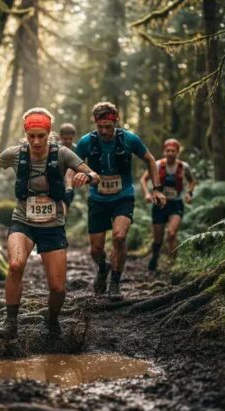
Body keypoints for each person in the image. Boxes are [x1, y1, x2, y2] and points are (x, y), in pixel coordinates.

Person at [0, 108, 100, 340]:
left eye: (41, 136)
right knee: (15, 265)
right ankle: (10, 322)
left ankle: (52, 319)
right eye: (31, 136)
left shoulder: (63, 154)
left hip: (53, 225)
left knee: (58, 289)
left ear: (49, 133)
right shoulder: (16, 154)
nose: (36, 141)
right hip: (23, 220)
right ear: (26, 134)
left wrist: (87, 176)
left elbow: (94, 175)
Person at [74, 102, 166, 300]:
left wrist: (157, 189)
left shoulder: (129, 139)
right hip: (97, 199)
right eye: (100, 127)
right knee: (96, 250)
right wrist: (70, 182)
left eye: (108, 127)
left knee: (119, 236)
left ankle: (115, 282)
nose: (104, 131)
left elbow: (150, 160)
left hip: (123, 196)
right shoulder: (86, 142)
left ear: (116, 122)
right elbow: (70, 164)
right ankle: (103, 268)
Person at [140, 138, 197, 272]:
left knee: (171, 233)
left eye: (173, 151)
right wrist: (147, 193)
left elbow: (192, 181)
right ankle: (155, 256)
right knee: (158, 239)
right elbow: (143, 179)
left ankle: (172, 265)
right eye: (168, 151)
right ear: (164, 151)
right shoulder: (157, 164)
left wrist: (189, 193)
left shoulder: (184, 167)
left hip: (176, 203)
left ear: (177, 152)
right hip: (159, 204)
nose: (170, 153)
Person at [59, 123, 78, 211]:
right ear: (60, 137)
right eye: (65, 139)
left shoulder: (76, 150)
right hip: (55, 183)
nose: (68, 141)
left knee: (65, 207)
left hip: (69, 185)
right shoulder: (55, 148)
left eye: (70, 139)